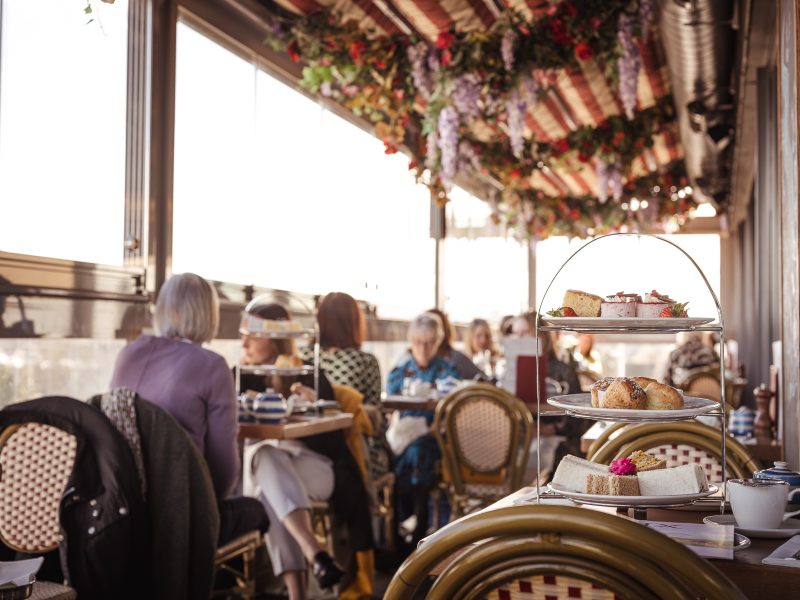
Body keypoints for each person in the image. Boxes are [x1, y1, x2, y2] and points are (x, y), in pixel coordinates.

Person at [109, 273, 269, 547]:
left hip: (122, 514)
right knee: (258, 512)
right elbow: (224, 473)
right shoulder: (212, 366)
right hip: (183, 517)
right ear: (209, 314)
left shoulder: (128, 354)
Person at [237, 299, 373, 599]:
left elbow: (332, 438)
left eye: (253, 335)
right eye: (243, 333)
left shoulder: (307, 374)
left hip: (318, 469)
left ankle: (300, 587)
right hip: (270, 474)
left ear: (276, 337)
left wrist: (312, 407)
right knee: (268, 465)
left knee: (267, 470)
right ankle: (316, 557)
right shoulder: (239, 378)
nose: (244, 342)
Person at [386, 312, 461, 547]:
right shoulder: (400, 371)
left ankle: (417, 521)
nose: (424, 348)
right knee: (394, 453)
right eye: (418, 342)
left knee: (418, 451)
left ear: (437, 342)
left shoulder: (448, 372)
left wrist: (435, 427)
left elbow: (455, 408)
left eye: (429, 342)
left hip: (434, 436)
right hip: (403, 436)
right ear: (411, 342)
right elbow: (389, 404)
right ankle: (401, 522)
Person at [298, 292, 381, 405]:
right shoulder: (365, 361)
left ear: (319, 320)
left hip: (309, 419)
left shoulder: (302, 355)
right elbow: (374, 408)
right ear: (354, 322)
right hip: (348, 421)